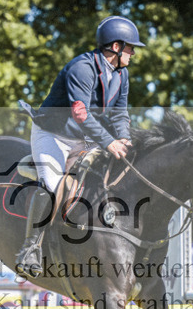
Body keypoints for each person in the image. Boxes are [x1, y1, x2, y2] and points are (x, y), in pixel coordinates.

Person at [16, 16, 145, 275]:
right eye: (130, 47)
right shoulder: (82, 68)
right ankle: (30, 248)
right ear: (116, 47)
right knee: (52, 186)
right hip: (54, 135)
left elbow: (120, 113)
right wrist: (109, 142)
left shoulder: (121, 74)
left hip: (83, 137)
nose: (133, 53)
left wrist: (124, 139)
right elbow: (81, 113)